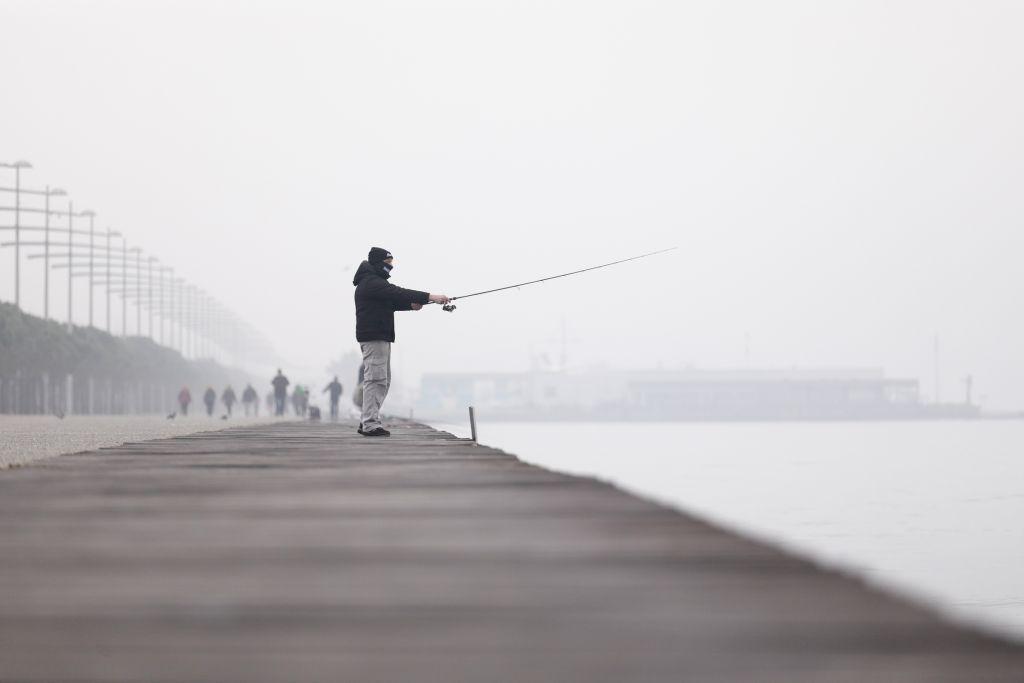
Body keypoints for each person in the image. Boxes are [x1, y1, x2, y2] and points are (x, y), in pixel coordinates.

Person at [352, 246, 448, 437]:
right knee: (375, 379)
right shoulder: (371, 282)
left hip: (380, 337)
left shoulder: (373, 282)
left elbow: (391, 301)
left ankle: (368, 420)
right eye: (388, 264)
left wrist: (411, 306)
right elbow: (397, 292)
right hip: (374, 337)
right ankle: (370, 424)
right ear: (378, 263)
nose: (391, 267)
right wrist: (431, 296)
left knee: (383, 381)